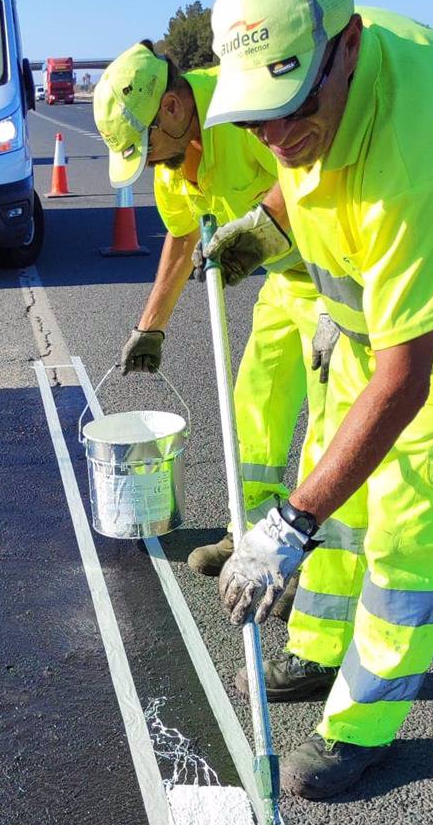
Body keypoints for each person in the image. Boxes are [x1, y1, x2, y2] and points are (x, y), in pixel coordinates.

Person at [200, 0, 433, 798]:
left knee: (405, 534)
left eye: (290, 106)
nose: (275, 134)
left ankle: (362, 727)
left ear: (346, 47)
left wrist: (285, 528)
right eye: (256, 115)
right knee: (339, 479)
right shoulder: (317, 91)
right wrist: (266, 224)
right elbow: (308, 171)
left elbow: (407, 381)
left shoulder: (409, 153)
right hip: (367, 327)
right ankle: (318, 651)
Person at [93, 43, 336, 595]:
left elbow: (314, 176)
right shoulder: (172, 159)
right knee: (254, 404)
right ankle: (249, 535)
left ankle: (312, 563)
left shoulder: (247, 105)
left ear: (174, 108)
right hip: (286, 278)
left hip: (335, 274)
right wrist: (151, 326)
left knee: (329, 421)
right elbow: (182, 237)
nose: (149, 161)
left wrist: (338, 296)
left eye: (146, 146)